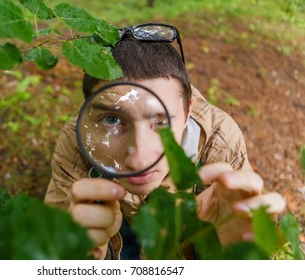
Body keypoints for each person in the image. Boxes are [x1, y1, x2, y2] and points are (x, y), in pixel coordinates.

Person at [44, 23, 286, 259]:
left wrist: (226, 255)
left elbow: (239, 234)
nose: (139, 159)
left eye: (161, 122)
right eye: (111, 119)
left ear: (188, 111)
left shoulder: (219, 138)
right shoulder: (76, 139)